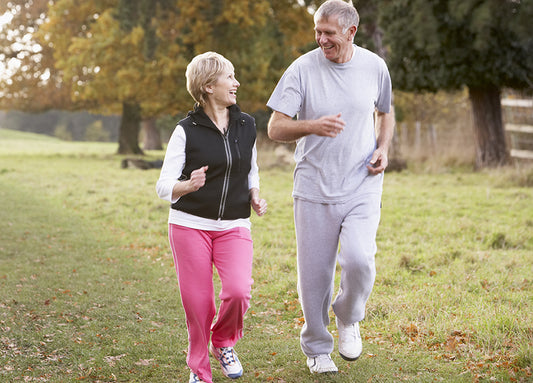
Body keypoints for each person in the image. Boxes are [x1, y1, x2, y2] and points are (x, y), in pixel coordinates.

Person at [266, 0, 395, 375]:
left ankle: (349, 316)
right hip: (314, 186)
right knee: (315, 275)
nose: (321, 39)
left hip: (362, 183)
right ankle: (317, 347)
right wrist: (312, 125)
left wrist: (383, 148)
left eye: (329, 33)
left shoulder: (374, 66)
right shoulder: (302, 69)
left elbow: (385, 112)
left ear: (351, 32)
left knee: (359, 259)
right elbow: (275, 127)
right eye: (317, 32)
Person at [156, 51, 267, 383]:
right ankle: (199, 370)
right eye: (229, 77)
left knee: (238, 291)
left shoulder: (247, 125)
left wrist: (254, 196)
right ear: (207, 86)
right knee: (199, 303)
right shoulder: (185, 130)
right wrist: (187, 186)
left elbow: (252, 170)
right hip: (190, 226)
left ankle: (223, 342)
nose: (236, 83)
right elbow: (163, 187)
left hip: (234, 225)